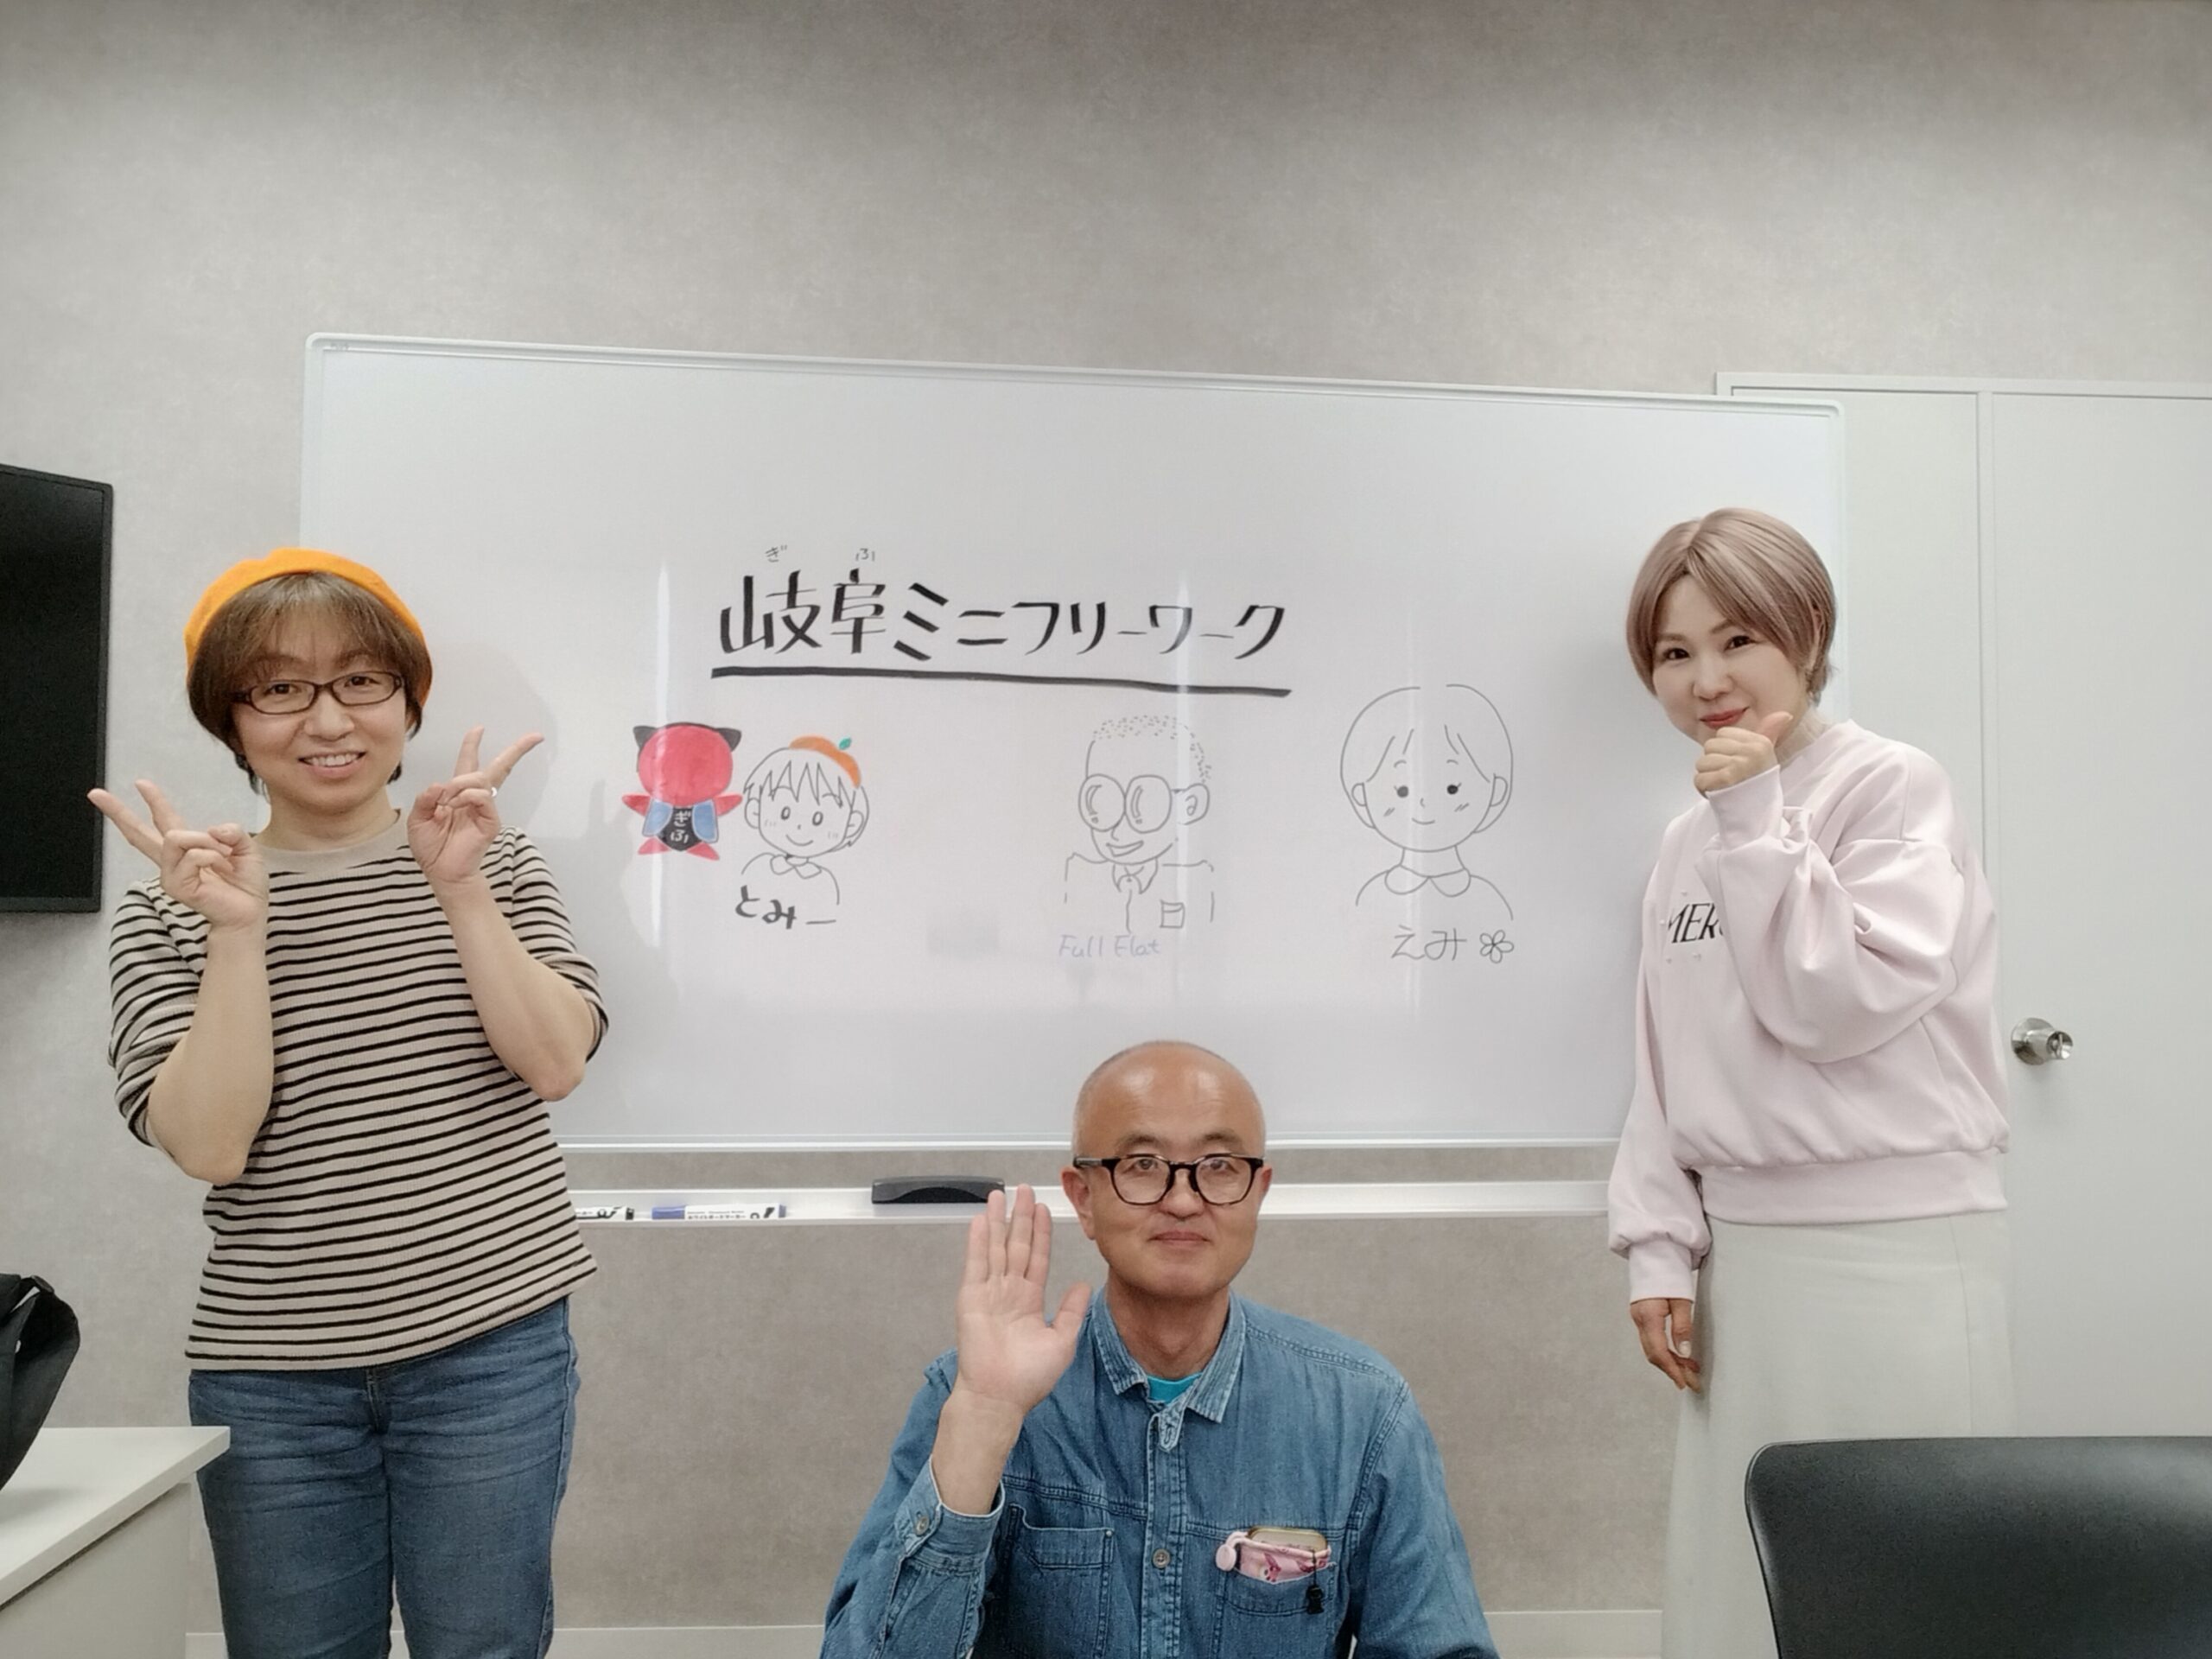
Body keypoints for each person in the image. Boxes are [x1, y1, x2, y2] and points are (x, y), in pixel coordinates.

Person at [92, 547, 607, 1659]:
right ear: (230, 723)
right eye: (279, 688)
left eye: (361, 681)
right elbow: (210, 1145)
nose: (328, 719)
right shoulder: (172, 910)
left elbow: (555, 1063)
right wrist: (238, 933)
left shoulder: (494, 862)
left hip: (492, 1346)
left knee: (483, 1644)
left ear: (408, 702)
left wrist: (458, 888)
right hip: (272, 1376)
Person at [1605, 508, 2012, 1659]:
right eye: (1673, 653)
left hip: (1897, 1254)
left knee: (1905, 1580)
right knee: (1745, 1590)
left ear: (1808, 631)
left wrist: (1753, 816)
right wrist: (1659, 1245)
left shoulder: (1892, 787)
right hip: (1746, 1267)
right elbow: (1663, 1059)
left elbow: (1831, 1006)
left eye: (1736, 639)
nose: (1705, 681)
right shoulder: (1684, 839)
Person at [821, 1040, 1497, 1659]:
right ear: (1083, 1198)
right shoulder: (972, 1391)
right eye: (1142, 1166)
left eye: (1219, 1167)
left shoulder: (1363, 1412)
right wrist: (986, 1420)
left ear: (1257, 1193)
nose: (1182, 1199)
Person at [1339, 684, 1513, 921]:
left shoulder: (1488, 900)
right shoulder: (1368, 899)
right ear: (1361, 796)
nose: (1424, 802)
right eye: (1402, 790)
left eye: (1452, 788)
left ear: (1496, 792)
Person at [1063, 715, 1217, 935]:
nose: (1118, 832)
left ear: (1190, 806)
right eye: (1100, 803)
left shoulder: (1198, 884)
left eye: (1143, 807)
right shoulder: (1078, 877)